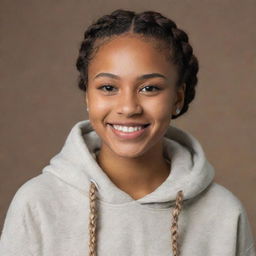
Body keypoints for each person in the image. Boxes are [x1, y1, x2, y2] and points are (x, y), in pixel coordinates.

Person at [0, 8, 255, 256]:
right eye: (108, 87)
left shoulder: (224, 214)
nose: (128, 108)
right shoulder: (38, 204)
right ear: (88, 96)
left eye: (150, 88)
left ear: (178, 98)